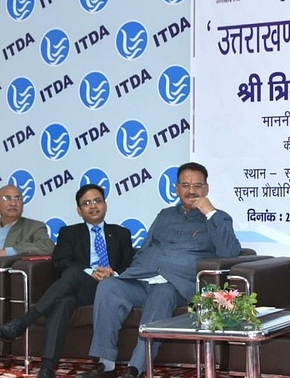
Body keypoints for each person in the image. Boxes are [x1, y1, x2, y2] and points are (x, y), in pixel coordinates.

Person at [80, 162, 241, 378]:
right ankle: (105, 364)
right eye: (185, 184)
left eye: (197, 185)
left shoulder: (218, 218)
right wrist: (123, 274)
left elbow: (230, 252)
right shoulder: (165, 215)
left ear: (206, 189)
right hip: (142, 278)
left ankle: (136, 368)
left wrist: (209, 211)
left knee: (162, 294)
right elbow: (146, 248)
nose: (191, 190)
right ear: (176, 188)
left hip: (176, 284)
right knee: (109, 287)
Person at [0, 184, 133, 378]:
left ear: (105, 205)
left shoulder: (121, 233)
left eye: (97, 201)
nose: (93, 206)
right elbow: (60, 261)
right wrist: (91, 272)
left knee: (71, 275)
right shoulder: (68, 233)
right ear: (79, 211)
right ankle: (47, 368)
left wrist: (111, 274)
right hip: (83, 288)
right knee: (64, 299)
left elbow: (130, 265)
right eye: (86, 203)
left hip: (112, 288)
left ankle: (24, 321)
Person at [0, 184, 55, 256]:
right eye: (7, 198)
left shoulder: (34, 227)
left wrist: (9, 252)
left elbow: (47, 246)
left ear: (23, 204)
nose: (13, 203)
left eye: (18, 198)